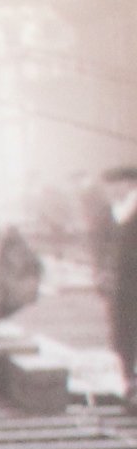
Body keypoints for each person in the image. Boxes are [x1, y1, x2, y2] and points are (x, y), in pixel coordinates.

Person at [101, 166, 137, 398]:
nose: (113, 190)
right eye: (110, 186)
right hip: (122, 283)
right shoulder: (114, 211)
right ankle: (128, 379)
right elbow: (103, 244)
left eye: (117, 185)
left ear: (128, 183)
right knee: (123, 328)